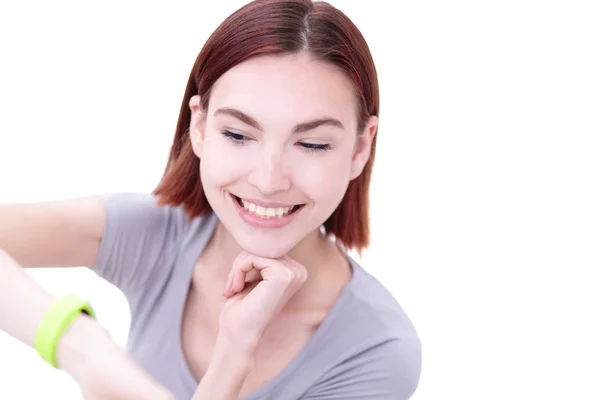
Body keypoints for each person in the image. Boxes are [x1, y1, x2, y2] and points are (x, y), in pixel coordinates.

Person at [0, 0, 422, 398]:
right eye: (238, 135)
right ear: (199, 127)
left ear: (360, 149)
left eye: (311, 144)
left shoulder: (376, 350)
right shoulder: (157, 234)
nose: (269, 180)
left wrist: (233, 356)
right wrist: (80, 345)